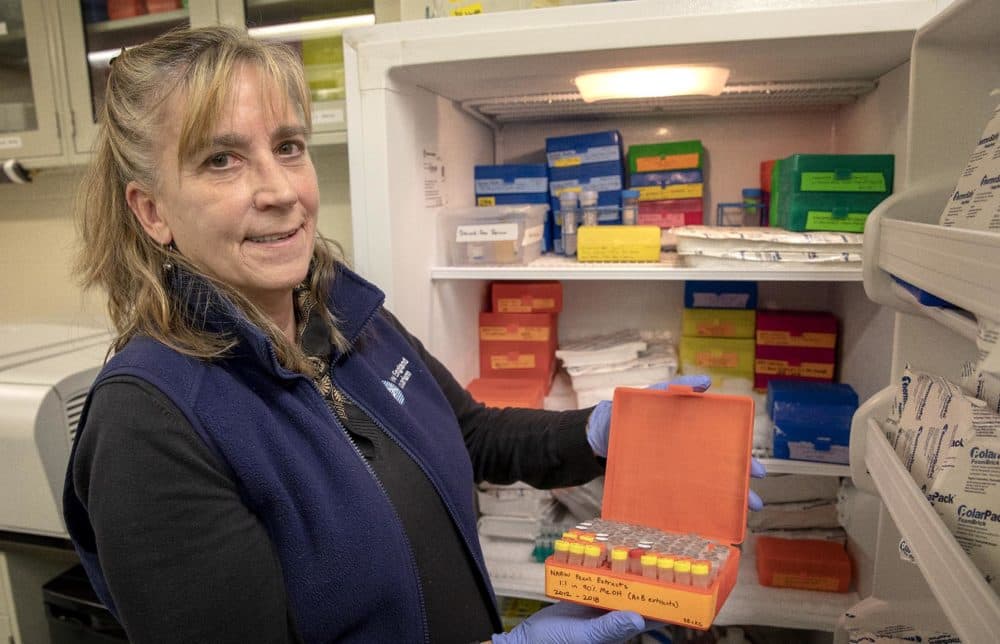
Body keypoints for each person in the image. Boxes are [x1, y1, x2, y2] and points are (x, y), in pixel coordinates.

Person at [63, 26, 763, 644]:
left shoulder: (339, 316)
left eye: (288, 146)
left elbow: (471, 433)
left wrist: (611, 434)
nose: (279, 189)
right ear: (152, 211)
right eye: (222, 159)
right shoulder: (148, 424)